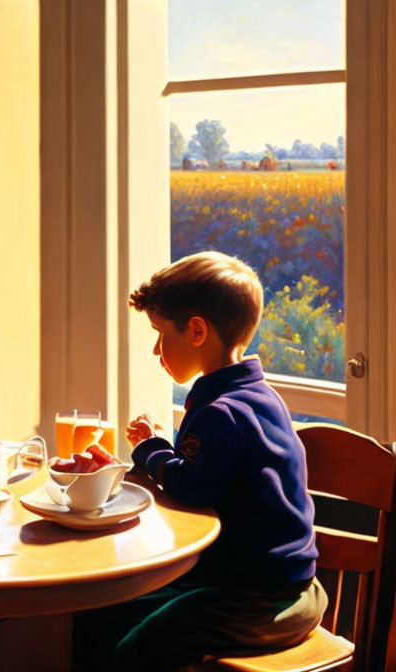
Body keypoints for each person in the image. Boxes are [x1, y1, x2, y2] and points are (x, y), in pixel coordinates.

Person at [74, 251, 327, 671]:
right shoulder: (259, 396)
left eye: (160, 335)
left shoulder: (218, 412)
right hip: (298, 586)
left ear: (196, 331)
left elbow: (192, 486)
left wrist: (149, 448)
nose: (157, 350)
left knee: (134, 649)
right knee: (107, 611)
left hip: (254, 599)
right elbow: (212, 475)